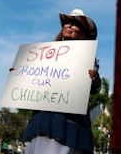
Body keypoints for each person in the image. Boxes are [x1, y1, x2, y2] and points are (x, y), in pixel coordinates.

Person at [23, 9, 101, 154]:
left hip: (69, 121)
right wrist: (20, 72)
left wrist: (95, 80)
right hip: (44, 117)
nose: (68, 25)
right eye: (66, 22)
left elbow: (95, 89)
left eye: (74, 24)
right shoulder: (45, 54)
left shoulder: (89, 57)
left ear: (83, 32)